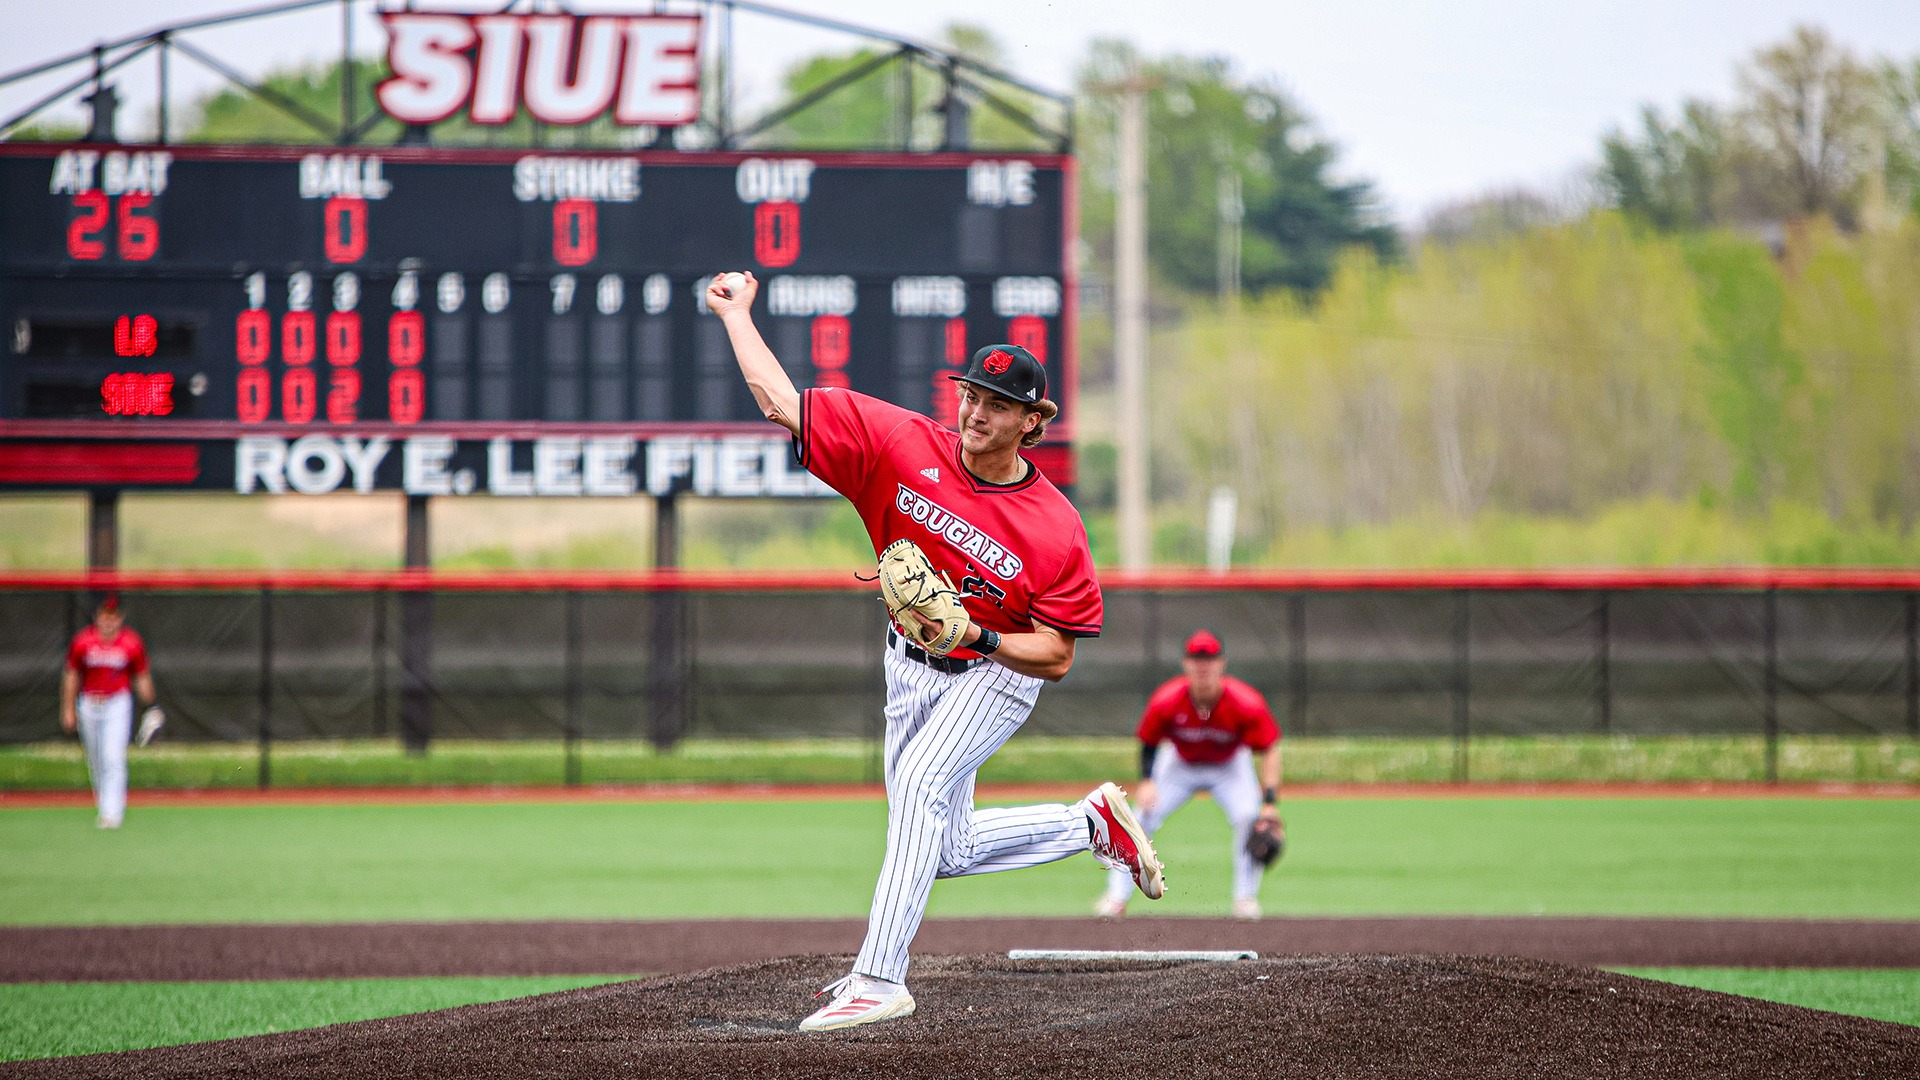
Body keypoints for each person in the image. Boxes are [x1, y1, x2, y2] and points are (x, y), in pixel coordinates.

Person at [706, 269, 1165, 1033]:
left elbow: (1056, 655)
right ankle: (1089, 826)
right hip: (907, 667)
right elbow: (781, 402)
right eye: (972, 396)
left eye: (998, 405)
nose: (977, 413)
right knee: (938, 845)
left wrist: (977, 635)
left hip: (995, 672)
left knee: (919, 787)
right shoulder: (898, 444)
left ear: (1033, 421)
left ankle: (880, 978)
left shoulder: (1055, 528)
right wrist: (736, 315)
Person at [1094, 628, 1282, 921]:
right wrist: (1147, 781)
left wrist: (1269, 802)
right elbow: (1149, 741)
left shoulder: (1246, 702)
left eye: (1209, 659)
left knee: (1249, 818)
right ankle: (1117, 897)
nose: (1203, 665)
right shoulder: (1167, 699)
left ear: (1222, 663)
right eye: (1197, 659)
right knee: (1138, 817)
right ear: (1186, 664)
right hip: (1178, 763)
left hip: (1230, 765)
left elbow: (1270, 748)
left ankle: (1245, 900)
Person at [61, 593, 162, 829]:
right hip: (88, 703)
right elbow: (72, 675)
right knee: (96, 759)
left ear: (121, 618)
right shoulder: (83, 642)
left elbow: (141, 675)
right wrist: (68, 708)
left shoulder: (131, 642)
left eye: (113, 616)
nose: (109, 621)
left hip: (117, 703)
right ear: (97, 617)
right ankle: (105, 805)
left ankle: (112, 813)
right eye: (105, 615)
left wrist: (151, 705)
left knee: (113, 757)